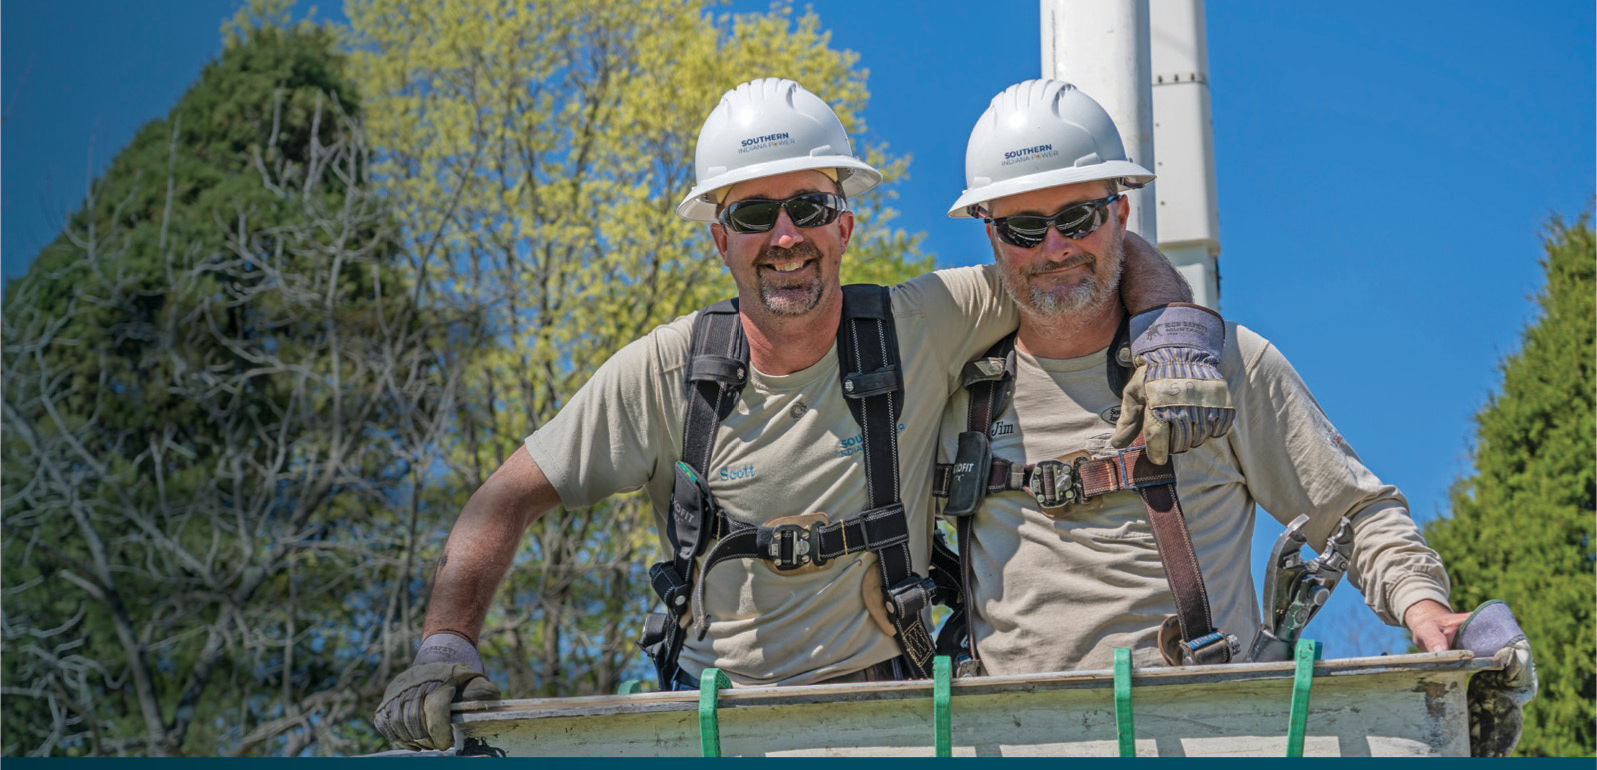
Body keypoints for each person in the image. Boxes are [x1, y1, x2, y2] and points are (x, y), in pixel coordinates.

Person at [372, 78, 1207, 751]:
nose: (784, 236)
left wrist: (1174, 333)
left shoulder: (921, 324)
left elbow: (1070, 246)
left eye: (807, 207)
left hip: (892, 723)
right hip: (713, 726)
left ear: (843, 222)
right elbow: (503, 499)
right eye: (751, 213)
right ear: (719, 239)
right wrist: (446, 645)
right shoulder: (668, 372)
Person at [932, 79, 1469, 676]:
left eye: (1079, 218)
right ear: (992, 236)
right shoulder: (956, 390)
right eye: (1024, 229)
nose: (1055, 248)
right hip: (1010, 740)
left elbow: (1354, 513)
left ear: (1122, 213)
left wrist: (1423, 604)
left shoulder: (1226, 367)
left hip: (1196, 729)